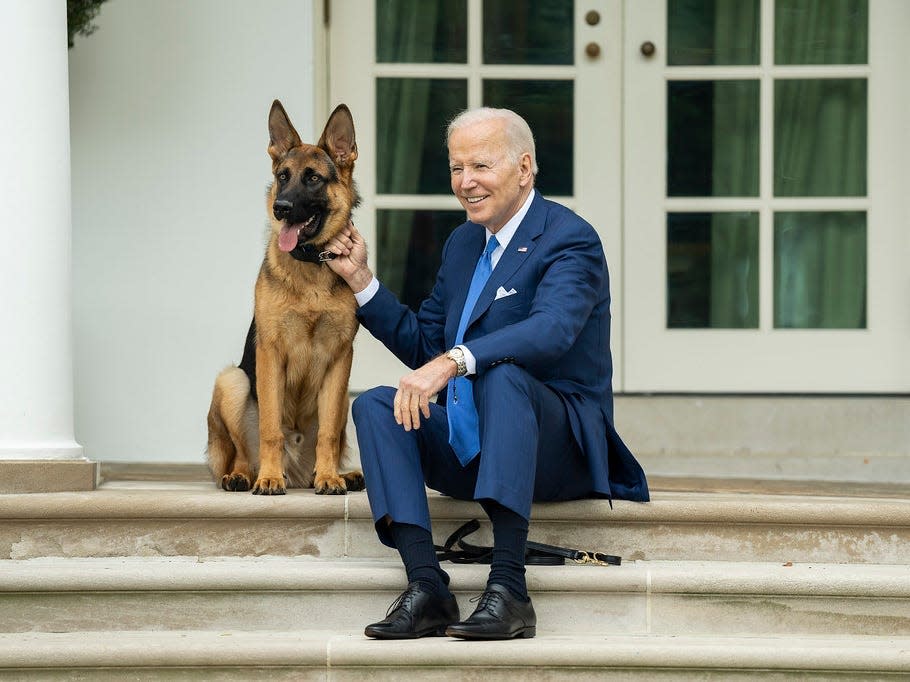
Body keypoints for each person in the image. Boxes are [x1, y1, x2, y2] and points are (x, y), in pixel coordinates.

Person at [324, 107, 649, 640]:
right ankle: (427, 586)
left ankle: (509, 588)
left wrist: (454, 361)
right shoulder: (462, 244)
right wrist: (361, 281)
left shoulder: (570, 239)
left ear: (524, 169)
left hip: (555, 446)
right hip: (473, 444)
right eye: (456, 168)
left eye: (480, 165)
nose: (465, 183)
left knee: (502, 375)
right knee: (376, 405)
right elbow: (428, 345)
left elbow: (551, 332)